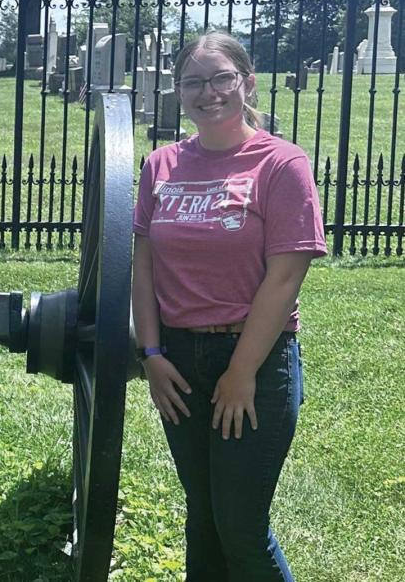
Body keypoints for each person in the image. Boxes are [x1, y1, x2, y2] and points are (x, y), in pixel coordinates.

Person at [131, 31, 325, 581]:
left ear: (247, 83)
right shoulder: (160, 166)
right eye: (193, 82)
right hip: (177, 363)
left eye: (221, 78)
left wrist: (241, 371)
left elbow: (286, 277)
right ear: (178, 92)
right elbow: (143, 265)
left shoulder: (281, 165)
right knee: (204, 519)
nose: (208, 92)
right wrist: (150, 354)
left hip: (256, 363)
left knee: (239, 525)